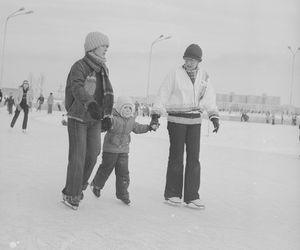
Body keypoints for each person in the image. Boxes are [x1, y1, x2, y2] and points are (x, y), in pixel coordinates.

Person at [151, 44, 220, 208]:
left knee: (194, 158)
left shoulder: (204, 76)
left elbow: (209, 98)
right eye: (187, 59)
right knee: (176, 157)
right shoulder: (174, 74)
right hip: (176, 121)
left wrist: (214, 116)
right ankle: (173, 193)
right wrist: (155, 114)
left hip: (195, 122)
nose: (189, 63)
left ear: (198, 61)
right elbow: (163, 94)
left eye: (192, 60)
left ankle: (192, 196)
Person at [62, 31, 114, 210]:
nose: (107, 48)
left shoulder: (103, 69)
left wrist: (107, 116)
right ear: (93, 47)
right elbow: (76, 87)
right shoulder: (80, 66)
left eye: (107, 46)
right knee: (78, 157)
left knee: (92, 154)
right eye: (103, 45)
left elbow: (107, 94)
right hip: (78, 116)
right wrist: (90, 104)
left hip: (95, 119)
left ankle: (78, 186)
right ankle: (72, 193)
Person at [90, 96, 158, 205]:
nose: (127, 110)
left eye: (130, 108)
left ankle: (123, 193)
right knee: (106, 169)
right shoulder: (113, 119)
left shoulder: (131, 121)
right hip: (110, 150)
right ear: (118, 109)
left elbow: (138, 128)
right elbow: (104, 126)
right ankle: (96, 185)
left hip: (123, 151)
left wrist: (149, 127)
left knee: (123, 173)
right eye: (125, 108)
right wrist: (104, 123)